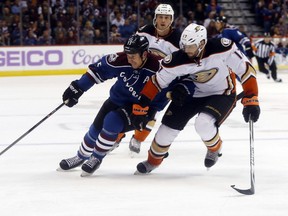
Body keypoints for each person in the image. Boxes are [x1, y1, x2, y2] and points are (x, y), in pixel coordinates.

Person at [130, 23, 261, 174]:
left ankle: (215, 148)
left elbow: (246, 70)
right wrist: (142, 106)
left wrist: (251, 98)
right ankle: (152, 161)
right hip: (192, 94)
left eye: (191, 46)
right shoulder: (177, 59)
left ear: (202, 43)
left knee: (203, 124)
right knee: (165, 131)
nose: (187, 50)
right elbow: (156, 82)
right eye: (184, 46)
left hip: (222, 93)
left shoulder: (222, 48)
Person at [57, 34, 170, 176]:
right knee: (95, 129)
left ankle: (96, 158)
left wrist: (152, 111)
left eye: (133, 56)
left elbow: (169, 89)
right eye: (128, 55)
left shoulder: (159, 67)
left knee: (112, 121)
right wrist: (78, 88)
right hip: (116, 100)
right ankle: (80, 156)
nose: (129, 59)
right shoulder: (122, 59)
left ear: (145, 54)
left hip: (139, 108)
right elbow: (98, 70)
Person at [120, 3, 182, 155]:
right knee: (127, 108)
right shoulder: (145, 31)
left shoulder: (178, 39)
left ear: (171, 20)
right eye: (160, 17)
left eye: (166, 18)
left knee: (152, 112)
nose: (163, 20)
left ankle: (138, 138)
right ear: (155, 18)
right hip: (141, 77)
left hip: (163, 82)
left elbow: (182, 63)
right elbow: (131, 48)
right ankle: (118, 135)